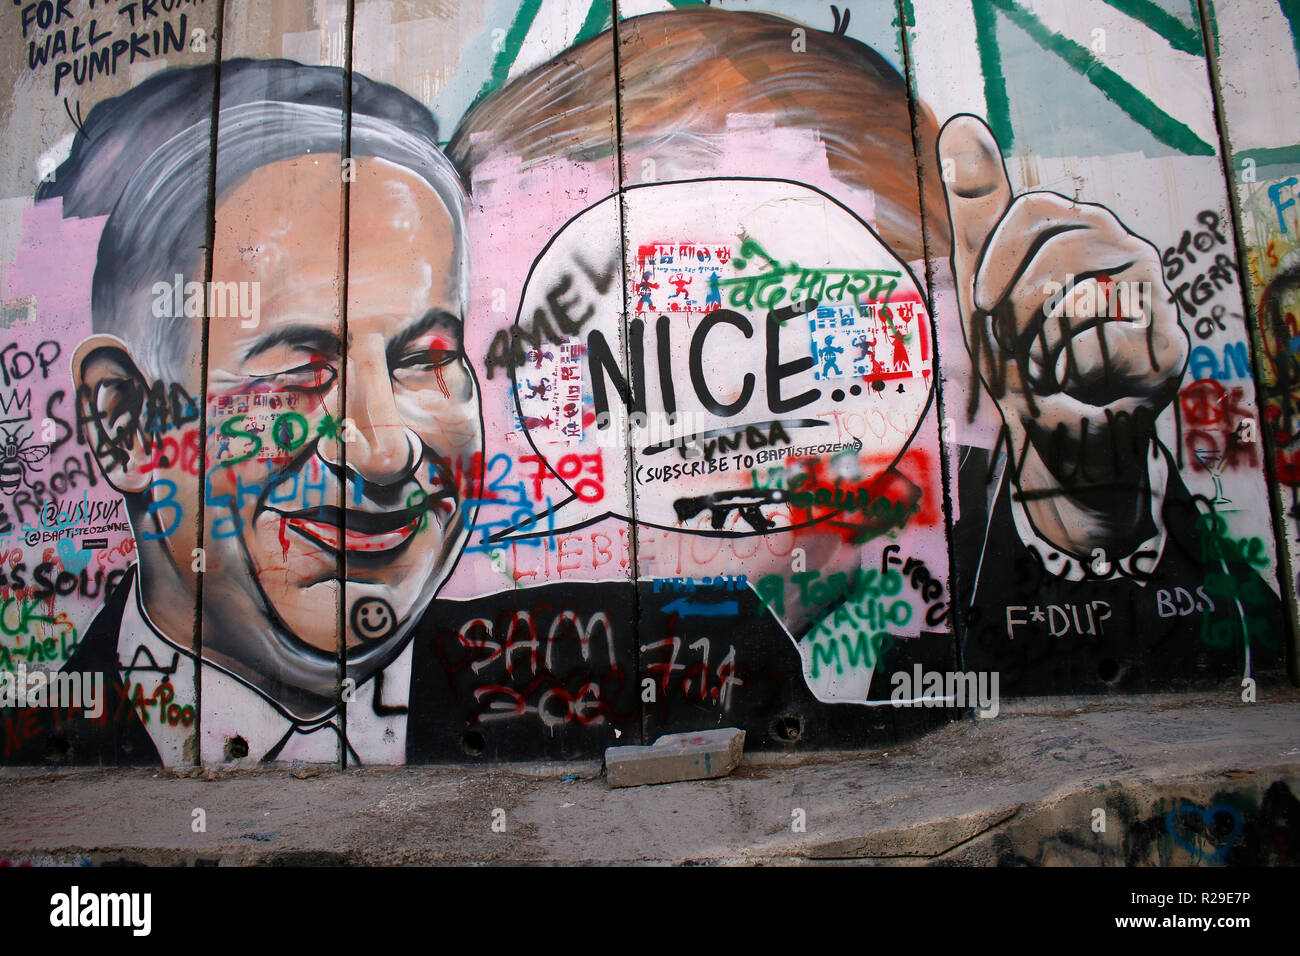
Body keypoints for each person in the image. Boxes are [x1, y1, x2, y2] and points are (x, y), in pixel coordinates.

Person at [9, 58, 482, 765]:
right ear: (127, 425)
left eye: (421, 360)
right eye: (299, 370)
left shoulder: (555, 669)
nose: (384, 452)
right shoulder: (34, 762)